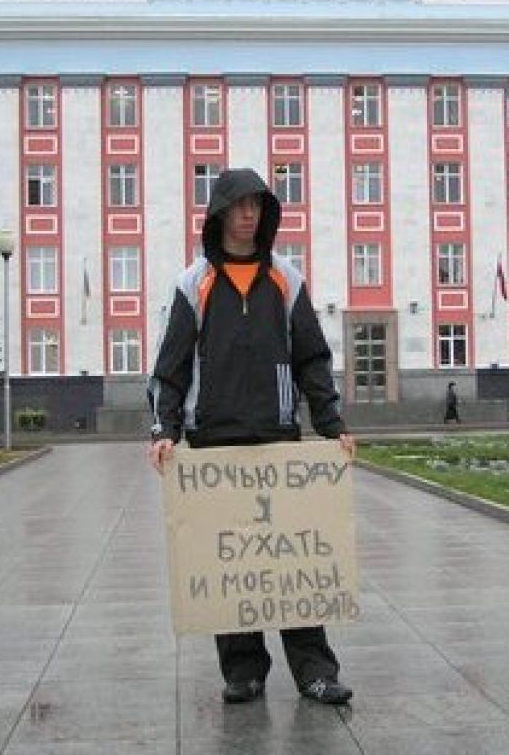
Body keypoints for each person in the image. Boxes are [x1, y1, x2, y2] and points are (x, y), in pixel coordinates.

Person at [148, 167, 355, 706]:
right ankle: (243, 671)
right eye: (239, 205)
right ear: (219, 213)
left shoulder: (287, 279)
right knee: (230, 564)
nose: (248, 214)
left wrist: (332, 425)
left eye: (257, 205)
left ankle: (315, 671)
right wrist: (164, 429)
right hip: (214, 443)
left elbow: (312, 358)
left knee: (293, 564)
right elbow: (170, 367)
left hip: (277, 439)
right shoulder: (193, 283)